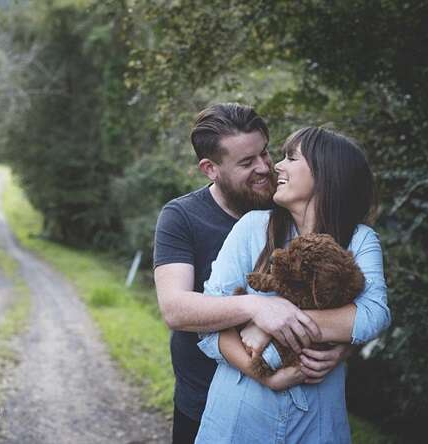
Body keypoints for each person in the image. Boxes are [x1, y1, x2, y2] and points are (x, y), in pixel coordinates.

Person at [154, 105, 357, 443]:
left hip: (295, 406)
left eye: (265, 152)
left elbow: (346, 294)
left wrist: (341, 348)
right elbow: (175, 309)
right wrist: (257, 307)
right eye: (247, 163)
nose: (265, 168)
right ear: (210, 169)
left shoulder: (292, 204)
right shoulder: (182, 217)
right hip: (202, 400)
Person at [194, 126, 392, 443]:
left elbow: (372, 316)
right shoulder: (252, 227)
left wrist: (272, 324)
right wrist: (263, 373)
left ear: (325, 174)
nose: (277, 166)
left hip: (317, 419)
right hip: (240, 411)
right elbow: (209, 323)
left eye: (291, 158)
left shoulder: (360, 240)